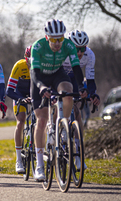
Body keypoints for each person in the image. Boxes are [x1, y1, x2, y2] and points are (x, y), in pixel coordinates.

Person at [31, 19, 87, 181]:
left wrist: (82, 87)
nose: (57, 43)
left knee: (68, 92)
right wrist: (41, 87)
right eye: (54, 39)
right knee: (41, 121)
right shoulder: (38, 46)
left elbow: (76, 69)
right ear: (47, 37)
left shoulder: (68, 46)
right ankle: (40, 165)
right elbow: (34, 73)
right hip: (40, 77)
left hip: (57, 74)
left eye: (60, 39)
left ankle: (64, 126)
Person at [62, 30, 100, 169]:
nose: (79, 52)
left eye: (82, 48)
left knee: (77, 113)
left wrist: (92, 94)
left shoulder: (90, 55)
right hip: (59, 76)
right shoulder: (62, 52)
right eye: (76, 48)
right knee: (60, 103)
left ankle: (78, 153)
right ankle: (54, 131)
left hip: (75, 79)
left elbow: (90, 80)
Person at [6, 46, 32, 174]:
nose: (31, 62)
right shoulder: (19, 66)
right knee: (21, 122)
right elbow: (9, 90)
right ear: (25, 58)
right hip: (19, 94)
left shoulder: (42, 66)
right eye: (29, 59)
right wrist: (20, 99)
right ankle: (18, 160)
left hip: (34, 94)